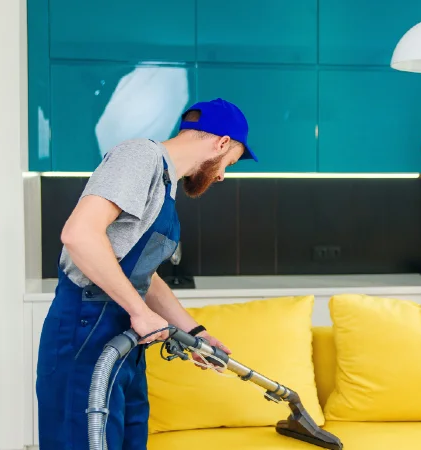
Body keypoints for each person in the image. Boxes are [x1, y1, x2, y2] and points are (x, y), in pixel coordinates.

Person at [36, 98, 258, 449]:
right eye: (228, 163)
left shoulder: (165, 182)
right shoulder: (140, 156)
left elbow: (141, 273)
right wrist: (140, 313)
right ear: (221, 142)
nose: (221, 175)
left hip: (125, 337)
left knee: (128, 438)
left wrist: (195, 332)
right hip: (85, 328)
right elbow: (79, 235)